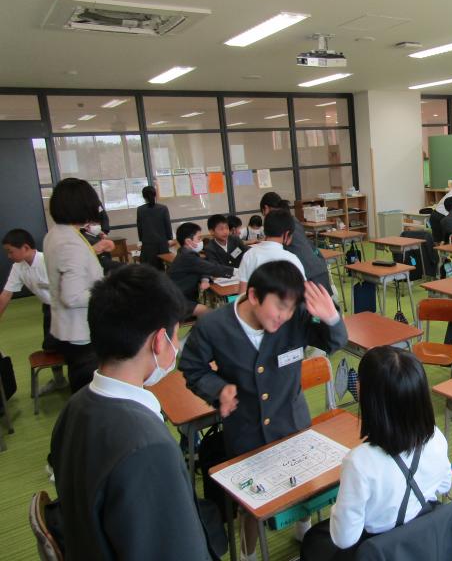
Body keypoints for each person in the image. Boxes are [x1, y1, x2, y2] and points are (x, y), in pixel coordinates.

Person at [50, 264, 220, 560]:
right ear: (159, 341)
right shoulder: (147, 448)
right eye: (176, 335)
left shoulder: (75, 407)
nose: (176, 345)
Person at [180, 261, 348, 560]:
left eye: (291, 308)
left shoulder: (295, 318)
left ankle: (304, 526)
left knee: (304, 484)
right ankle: (248, 554)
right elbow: (192, 367)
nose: (284, 316)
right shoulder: (214, 326)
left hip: (293, 423)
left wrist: (331, 317)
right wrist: (218, 389)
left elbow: (333, 343)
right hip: (246, 431)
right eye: (279, 307)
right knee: (251, 504)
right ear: (254, 295)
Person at [301, 347, 451, 560]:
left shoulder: (358, 461)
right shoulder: (436, 436)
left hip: (380, 551)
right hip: (423, 542)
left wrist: (341, 505)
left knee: (313, 540)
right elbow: (445, 485)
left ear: (367, 395)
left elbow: (344, 539)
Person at [44, 178, 110, 393]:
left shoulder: (57, 233)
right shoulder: (69, 241)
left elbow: (74, 268)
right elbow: (72, 297)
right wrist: (109, 291)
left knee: (84, 387)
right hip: (80, 332)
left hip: (69, 328)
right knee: (88, 389)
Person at [0, 229, 66, 391]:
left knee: (73, 347)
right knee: (49, 347)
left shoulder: (48, 261)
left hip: (67, 308)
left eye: (11, 251)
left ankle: (83, 378)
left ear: (25, 247)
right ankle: (59, 381)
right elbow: (5, 295)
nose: (9, 256)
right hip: (48, 308)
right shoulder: (18, 267)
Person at [260, 192, 332, 294]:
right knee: (325, 302)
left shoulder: (281, 221)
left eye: (263, 213)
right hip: (317, 267)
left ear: (266, 208)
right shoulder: (290, 219)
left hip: (308, 273)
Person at [168, 222, 234, 320]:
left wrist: (204, 279)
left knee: (206, 313)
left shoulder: (184, 253)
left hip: (178, 297)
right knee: (208, 312)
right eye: (199, 238)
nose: (201, 241)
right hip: (176, 301)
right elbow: (211, 268)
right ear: (188, 241)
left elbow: (203, 267)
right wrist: (236, 271)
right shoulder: (188, 257)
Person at [238, 209, 306, 293]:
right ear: (287, 234)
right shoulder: (292, 259)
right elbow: (302, 292)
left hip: (254, 300)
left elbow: (242, 293)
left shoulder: (249, 255)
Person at [136, 185, 173, 271]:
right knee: (163, 266)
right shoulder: (163, 208)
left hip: (147, 244)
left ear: (144, 196)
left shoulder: (140, 210)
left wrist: (141, 239)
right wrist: (169, 238)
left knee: (149, 268)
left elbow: (139, 227)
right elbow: (167, 225)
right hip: (162, 244)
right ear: (155, 194)